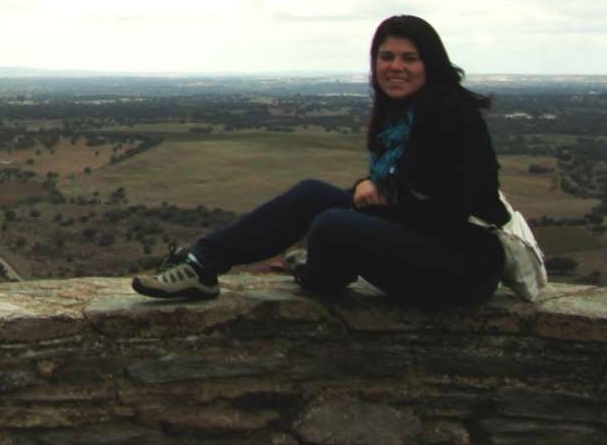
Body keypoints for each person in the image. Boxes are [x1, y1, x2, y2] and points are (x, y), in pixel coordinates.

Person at [132, 15, 509, 307]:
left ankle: (314, 275)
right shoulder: (401, 115)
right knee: (312, 195)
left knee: (332, 225)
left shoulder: (449, 114)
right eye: (386, 57)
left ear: (432, 64)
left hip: (462, 264)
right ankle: (200, 264)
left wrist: (381, 202)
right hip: (421, 244)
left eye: (410, 58)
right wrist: (370, 188)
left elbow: (450, 211)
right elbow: (403, 184)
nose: (396, 66)